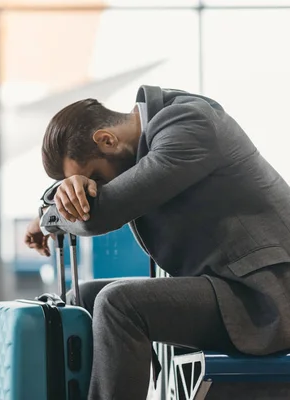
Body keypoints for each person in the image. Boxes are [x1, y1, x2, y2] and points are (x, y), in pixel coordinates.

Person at [24, 85, 290, 399]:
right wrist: (58, 200)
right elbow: (87, 207)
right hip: (229, 285)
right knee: (84, 298)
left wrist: (50, 215)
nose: (94, 188)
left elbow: (100, 214)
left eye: (94, 177)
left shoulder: (190, 125)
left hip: (267, 294)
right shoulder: (152, 136)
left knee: (119, 303)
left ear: (107, 140)